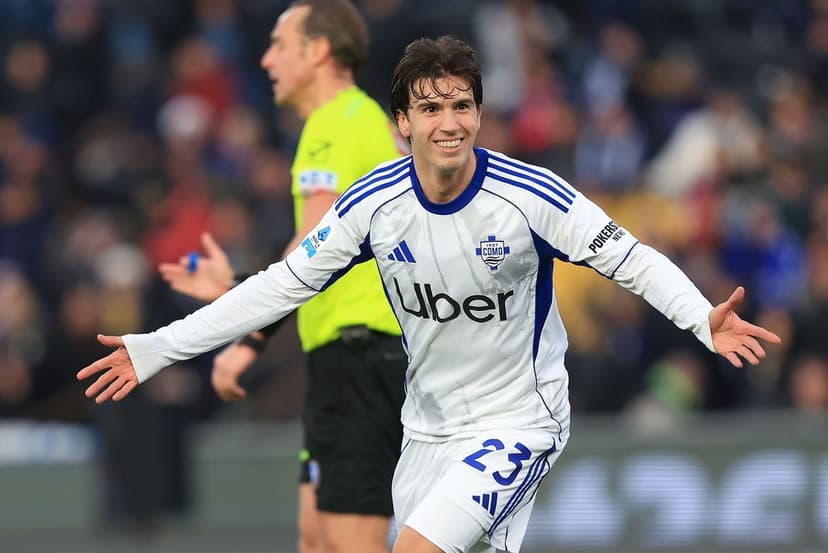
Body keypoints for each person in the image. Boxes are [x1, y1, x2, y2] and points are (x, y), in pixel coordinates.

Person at [78, 36, 781, 553]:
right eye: (431, 107)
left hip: (519, 419)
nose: (450, 122)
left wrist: (702, 318)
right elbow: (278, 287)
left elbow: (633, 260)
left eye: (462, 105)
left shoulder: (530, 197)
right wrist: (157, 348)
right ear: (403, 122)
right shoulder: (372, 206)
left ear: (479, 113)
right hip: (426, 431)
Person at [157, 2, 408, 552]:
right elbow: (328, 255)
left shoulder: (336, 122)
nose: (266, 59)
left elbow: (310, 248)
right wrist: (240, 285)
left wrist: (246, 335)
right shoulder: (359, 121)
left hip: (363, 351)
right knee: (317, 540)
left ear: (318, 51)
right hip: (351, 352)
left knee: (350, 544)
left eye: (279, 45)